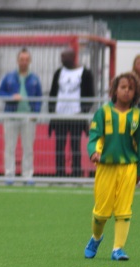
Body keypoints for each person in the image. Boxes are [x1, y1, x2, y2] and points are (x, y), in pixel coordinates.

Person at [84, 72, 140, 262]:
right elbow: (94, 136)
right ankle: (96, 238)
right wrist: (94, 152)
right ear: (115, 90)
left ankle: (118, 249)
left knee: (124, 210)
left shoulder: (138, 116)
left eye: (130, 88)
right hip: (106, 167)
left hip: (128, 167)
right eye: (123, 87)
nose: (126, 91)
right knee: (101, 213)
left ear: (135, 92)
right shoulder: (103, 112)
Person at [0, 48, 43, 183]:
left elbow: (39, 97)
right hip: (11, 117)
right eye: (22, 59)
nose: (24, 62)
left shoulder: (34, 78)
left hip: (28, 118)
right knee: (9, 148)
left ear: (30, 61)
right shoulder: (9, 77)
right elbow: (0, 93)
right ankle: (9, 175)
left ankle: (27, 175)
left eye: (26, 60)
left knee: (28, 148)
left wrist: (36, 113)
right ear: (17, 61)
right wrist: (11, 97)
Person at [49, 48, 95, 178]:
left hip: (77, 115)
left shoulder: (85, 73)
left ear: (73, 58)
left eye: (65, 57)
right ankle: (60, 173)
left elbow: (90, 95)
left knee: (75, 146)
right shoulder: (59, 73)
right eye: (62, 57)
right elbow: (53, 92)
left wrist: (83, 111)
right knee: (59, 146)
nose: (62, 60)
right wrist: (52, 111)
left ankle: (76, 172)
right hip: (60, 116)